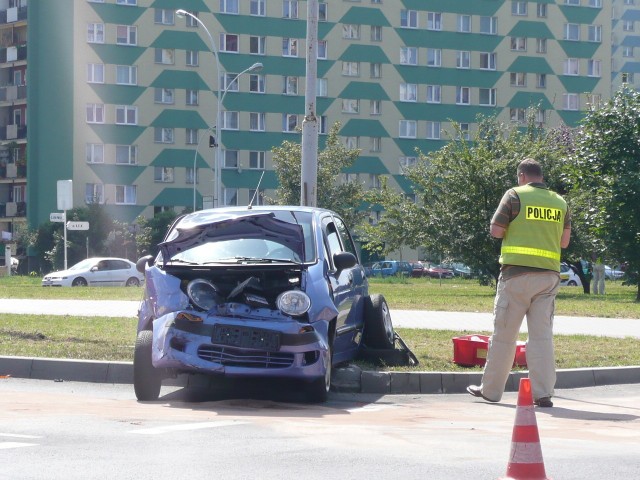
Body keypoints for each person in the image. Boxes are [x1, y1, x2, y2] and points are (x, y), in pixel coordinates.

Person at [467, 158, 571, 408]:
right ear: (541, 176)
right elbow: (564, 242)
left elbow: (496, 231)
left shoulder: (514, 195)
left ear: (522, 175)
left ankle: (491, 391)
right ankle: (543, 393)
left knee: (504, 335)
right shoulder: (560, 202)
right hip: (548, 277)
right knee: (542, 337)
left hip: (516, 276)